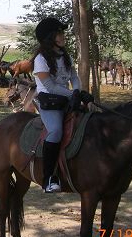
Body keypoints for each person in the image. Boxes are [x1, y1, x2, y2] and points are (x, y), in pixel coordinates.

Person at [32, 17, 94, 193]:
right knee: (56, 131)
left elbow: (74, 77)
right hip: (48, 102)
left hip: (67, 99)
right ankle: (48, 179)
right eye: (59, 33)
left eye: (62, 33)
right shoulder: (40, 59)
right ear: (50, 37)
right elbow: (50, 87)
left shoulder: (64, 55)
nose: (63, 36)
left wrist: (78, 90)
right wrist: (73, 93)